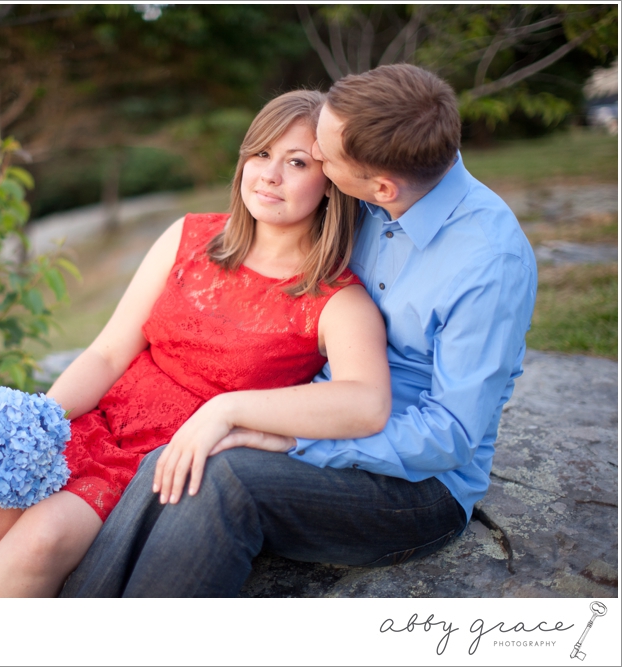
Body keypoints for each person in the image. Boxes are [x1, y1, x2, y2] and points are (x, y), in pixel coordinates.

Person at [60, 63, 538, 597]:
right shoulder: (377, 181)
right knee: (180, 450)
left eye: (324, 158)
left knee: (224, 478)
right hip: (332, 408)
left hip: (417, 487)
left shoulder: (488, 264)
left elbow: (448, 436)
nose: (317, 160)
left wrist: (292, 439)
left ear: (379, 187)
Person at [0, 89, 392, 598]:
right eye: (261, 154)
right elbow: (109, 351)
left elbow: (367, 402)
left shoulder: (336, 298)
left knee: (41, 539)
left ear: (331, 182)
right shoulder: (189, 236)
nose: (270, 175)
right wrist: (42, 420)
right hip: (103, 421)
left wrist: (230, 408)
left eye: (296, 162)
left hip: (162, 463)